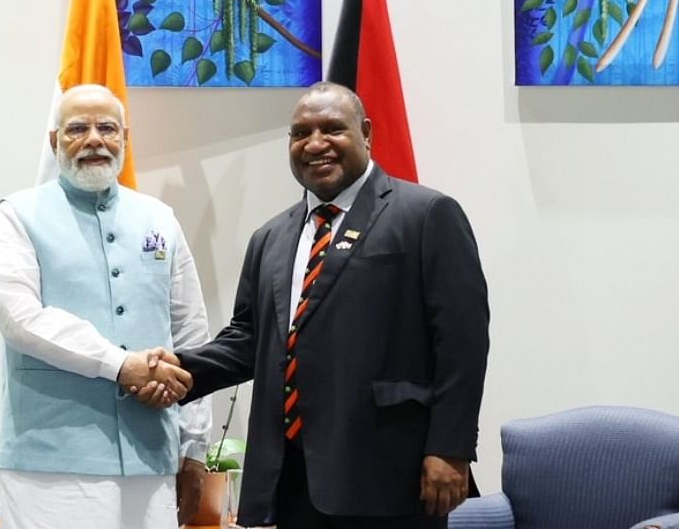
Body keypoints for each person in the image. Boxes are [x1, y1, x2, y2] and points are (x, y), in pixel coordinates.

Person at [151, 82, 490, 528]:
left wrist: (450, 447)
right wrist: (175, 370)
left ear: (366, 133)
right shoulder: (270, 238)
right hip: (291, 477)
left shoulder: (426, 215)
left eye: (332, 129)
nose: (315, 144)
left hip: (389, 475)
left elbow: (462, 344)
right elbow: (249, 340)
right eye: (300, 133)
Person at [0, 83, 212, 529]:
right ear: (55, 142)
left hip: (151, 453)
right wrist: (119, 364)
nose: (94, 139)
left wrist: (194, 447)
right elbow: (20, 318)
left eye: (107, 128)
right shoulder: (18, 214)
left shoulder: (159, 219)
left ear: (125, 139)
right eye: (77, 129)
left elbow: (190, 334)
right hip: (51, 461)